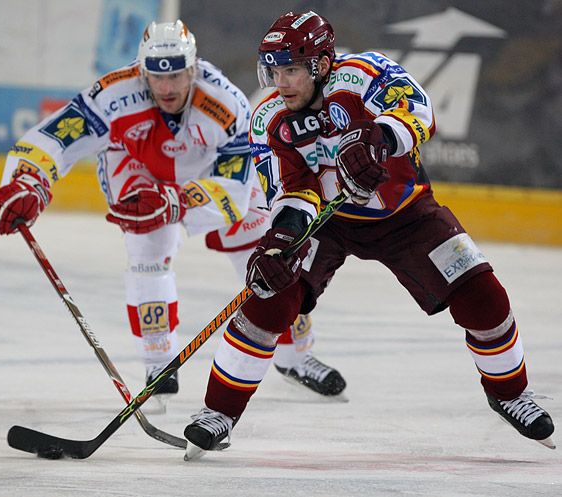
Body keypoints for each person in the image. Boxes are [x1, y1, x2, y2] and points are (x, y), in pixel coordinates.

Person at [183, 10, 555, 457]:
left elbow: (420, 112)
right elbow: (291, 191)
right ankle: (219, 412)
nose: (281, 82)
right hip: (327, 221)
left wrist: (378, 135)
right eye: (274, 70)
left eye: (292, 70)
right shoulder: (269, 119)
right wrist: (280, 241)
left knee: (484, 295)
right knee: (270, 298)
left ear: (321, 65)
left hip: (407, 216)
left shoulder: (366, 74)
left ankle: (510, 393)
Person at [0, 20, 346, 412]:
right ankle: (159, 365)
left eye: (177, 74)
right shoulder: (112, 94)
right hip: (137, 167)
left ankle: (295, 356)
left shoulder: (224, 103)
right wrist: (29, 180)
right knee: (147, 250)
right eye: (157, 77)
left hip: (208, 172)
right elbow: (59, 135)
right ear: (141, 71)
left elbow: (234, 187)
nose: (167, 88)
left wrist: (176, 201)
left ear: (193, 67)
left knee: (265, 251)